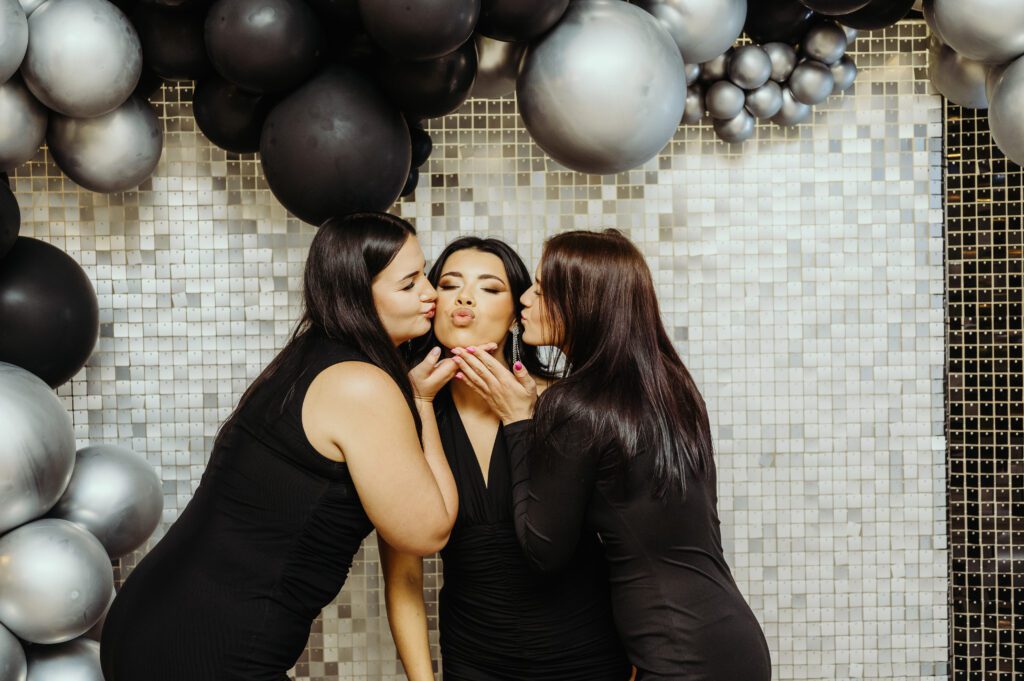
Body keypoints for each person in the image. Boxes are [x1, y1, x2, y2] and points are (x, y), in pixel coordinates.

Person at [101, 212, 460, 681]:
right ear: (356, 295)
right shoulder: (360, 385)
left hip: (150, 621)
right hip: (204, 652)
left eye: (425, 275)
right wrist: (422, 402)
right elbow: (428, 531)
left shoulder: (309, 355)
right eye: (409, 284)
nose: (431, 294)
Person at [452, 229, 772, 681]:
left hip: (679, 657)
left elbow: (543, 551)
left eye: (541, 289)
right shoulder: (672, 387)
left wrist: (518, 421)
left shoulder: (575, 405)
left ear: (582, 303)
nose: (525, 298)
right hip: (731, 637)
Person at [381, 236, 630, 681]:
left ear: (518, 313)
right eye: (450, 284)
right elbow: (404, 577)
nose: (465, 297)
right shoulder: (405, 414)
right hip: (474, 659)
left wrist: (637, 662)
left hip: (587, 653)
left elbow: (626, 545)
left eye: (490, 288)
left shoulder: (567, 404)